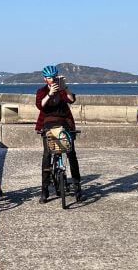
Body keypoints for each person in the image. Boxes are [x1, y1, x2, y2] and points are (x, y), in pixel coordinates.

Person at [35, 65, 81, 203]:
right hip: (48, 123)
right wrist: (49, 94)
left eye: (54, 77)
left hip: (65, 123)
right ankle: (44, 190)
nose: (52, 80)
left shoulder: (61, 90)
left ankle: (77, 186)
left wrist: (65, 87)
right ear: (45, 79)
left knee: (71, 153)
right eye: (49, 78)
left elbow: (71, 99)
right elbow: (40, 105)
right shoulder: (42, 91)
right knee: (47, 155)